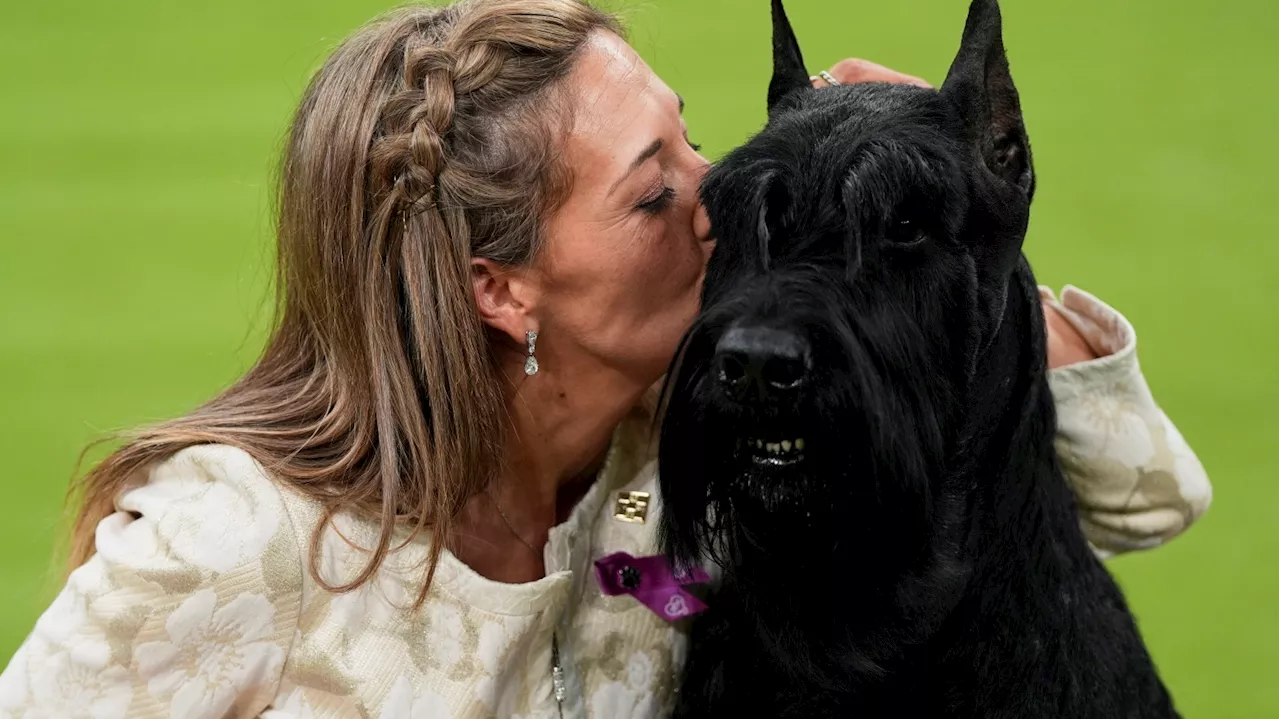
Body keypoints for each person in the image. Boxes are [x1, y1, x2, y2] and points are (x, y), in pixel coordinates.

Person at [0, 1, 1211, 717]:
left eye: (691, 135)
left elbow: (1143, 495)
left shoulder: (696, 428)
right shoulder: (229, 540)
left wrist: (958, 203)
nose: (716, 189)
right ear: (500, 286)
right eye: (651, 190)